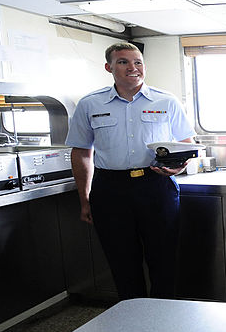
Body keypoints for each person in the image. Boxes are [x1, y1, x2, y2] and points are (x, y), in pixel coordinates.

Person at [66, 42, 196, 300]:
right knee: (121, 260)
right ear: (109, 67)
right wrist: (85, 198)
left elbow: (187, 145)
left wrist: (178, 166)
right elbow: (81, 152)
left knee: (164, 258)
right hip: (110, 189)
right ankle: (131, 317)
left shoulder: (166, 101)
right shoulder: (90, 104)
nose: (132, 68)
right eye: (123, 62)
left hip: (156, 186)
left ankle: (164, 314)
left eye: (137, 62)